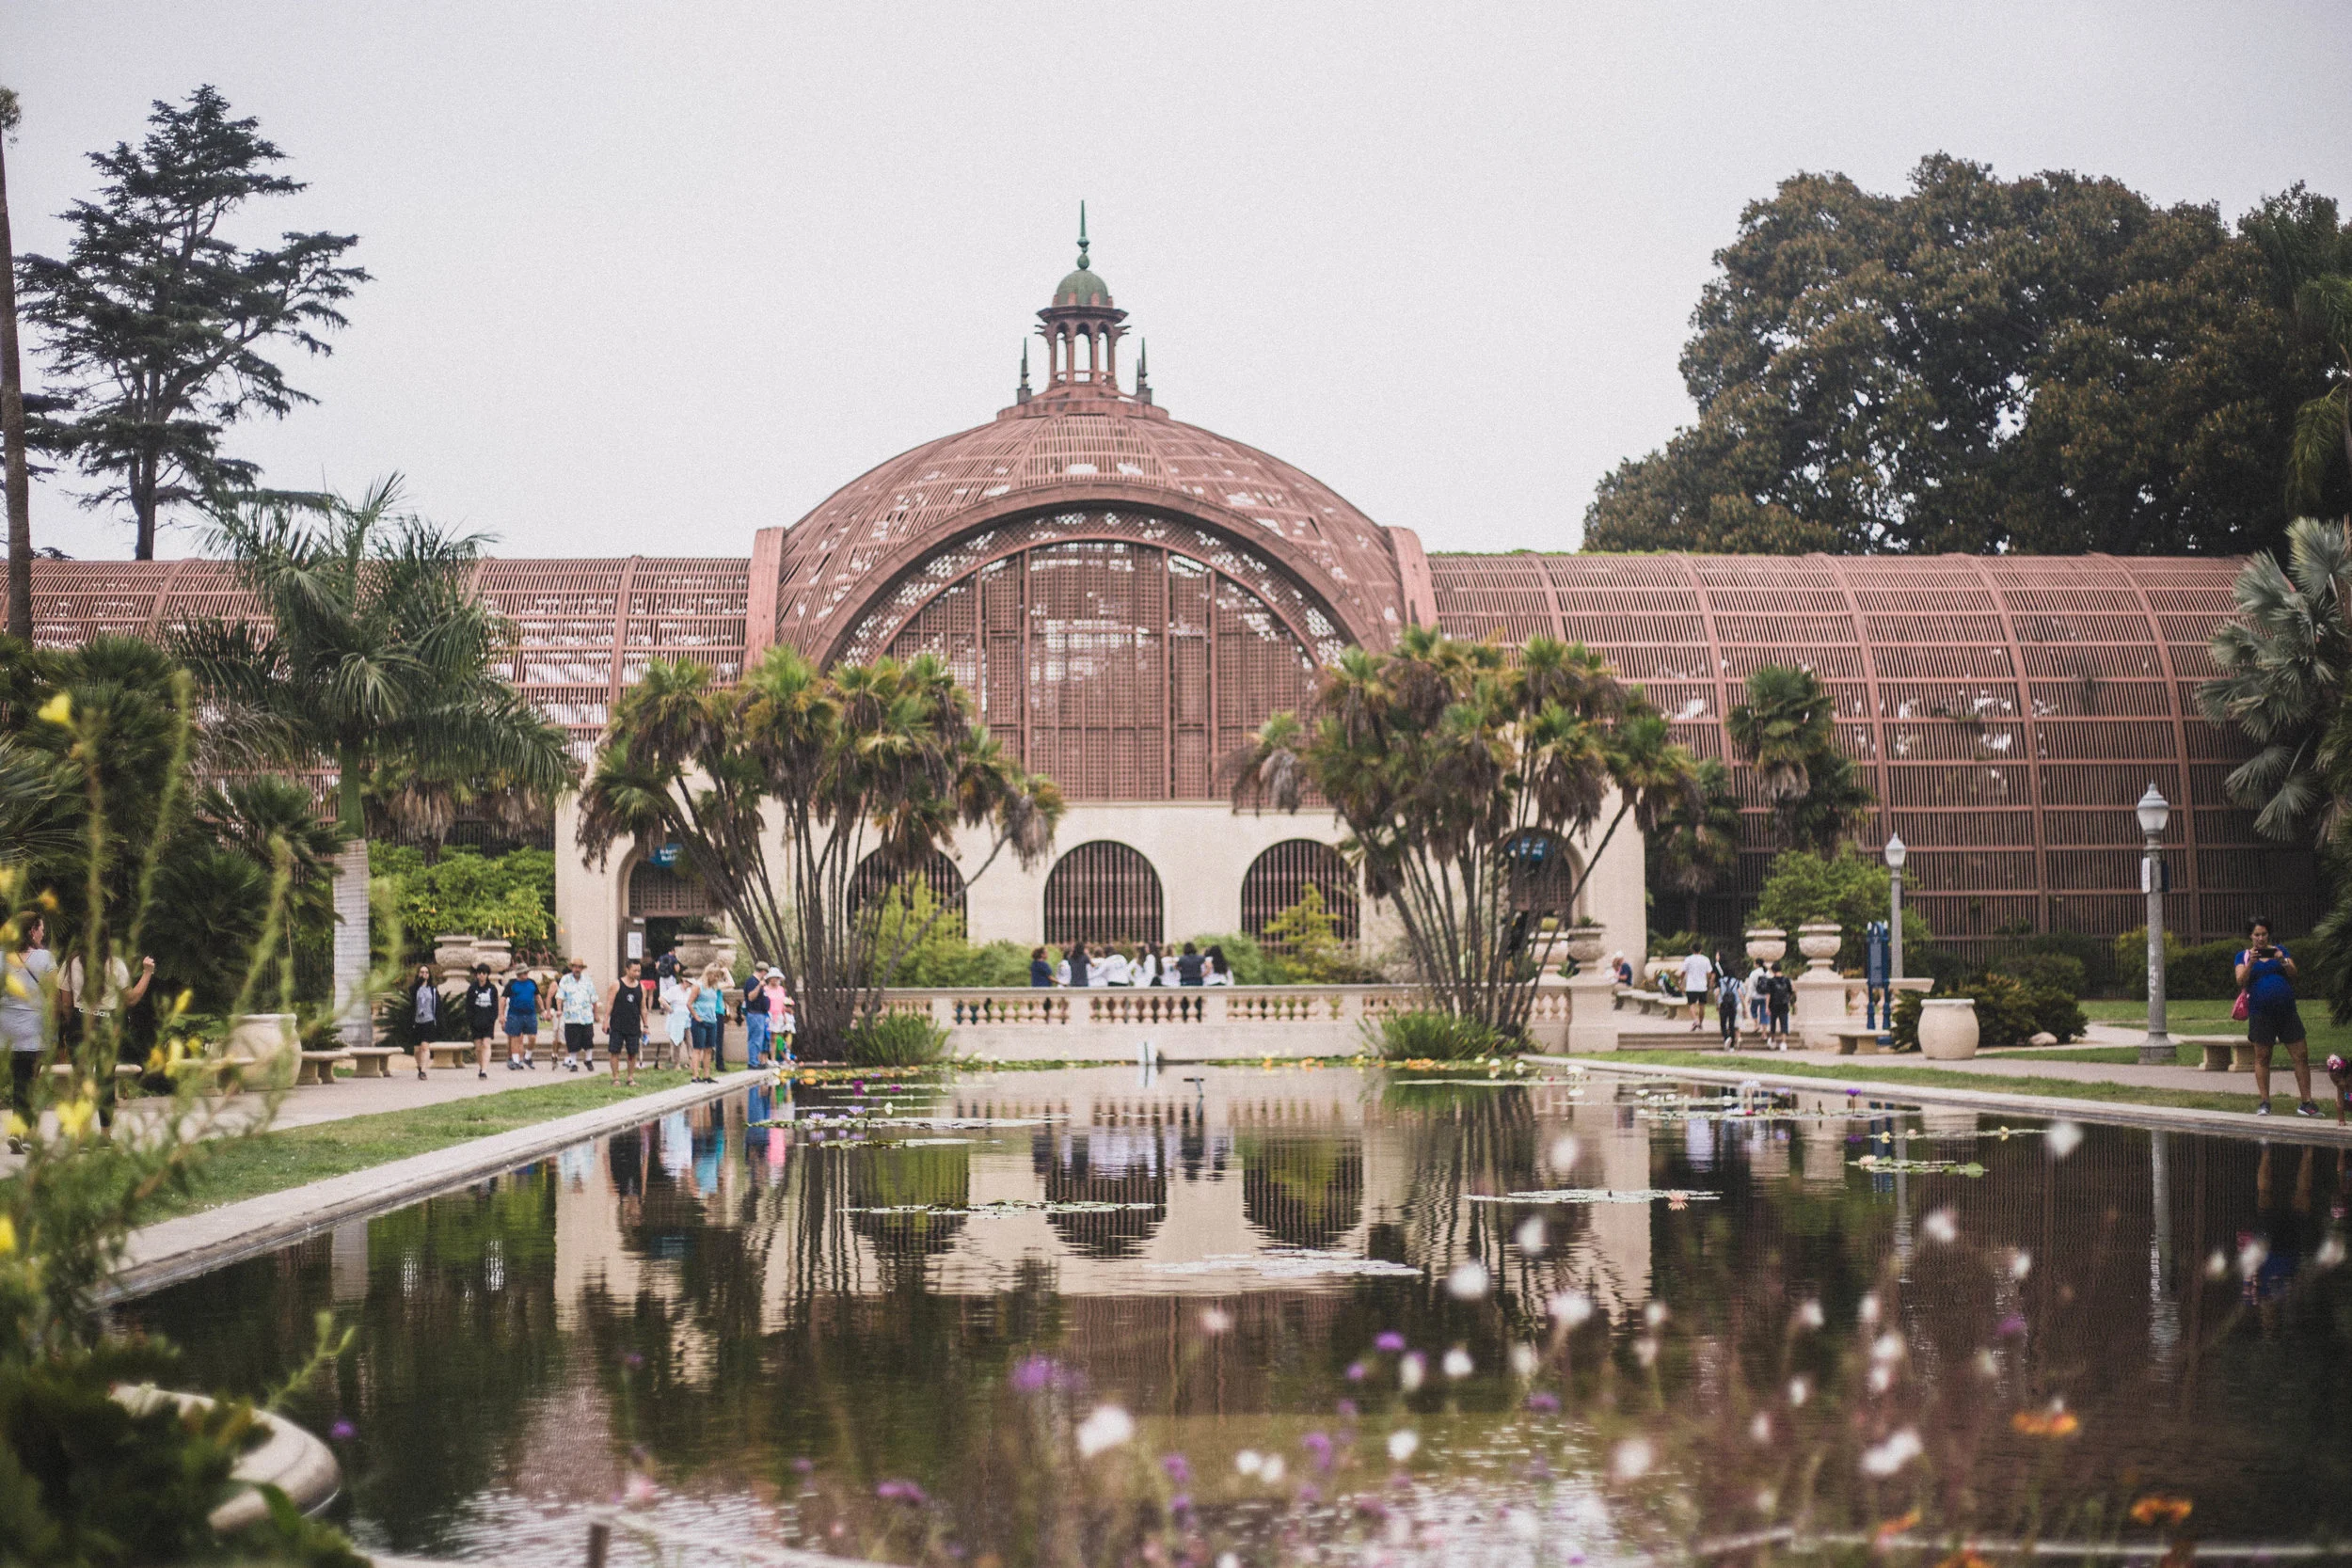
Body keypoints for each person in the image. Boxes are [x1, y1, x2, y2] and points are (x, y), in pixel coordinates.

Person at [2236, 916, 2318, 1117]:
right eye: (2257, 934)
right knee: (2262, 1057)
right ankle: (2265, 1102)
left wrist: (2282, 959)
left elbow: (2294, 974)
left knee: (2300, 1055)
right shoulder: (2243, 956)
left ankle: (2306, 1102)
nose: (2261, 938)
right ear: (2250, 936)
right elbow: (2241, 980)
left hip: (2287, 1012)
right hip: (2260, 1013)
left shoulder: (2280, 950)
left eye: (2264, 934)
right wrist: (2251, 963)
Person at [4, 917, 57, 1152]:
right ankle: (21, 1132)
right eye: (41, 929)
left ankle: (23, 1132)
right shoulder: (45, 958)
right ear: (32, 931)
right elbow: (52, 995)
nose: (43, 934)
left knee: (20, 1080)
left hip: (7, 1031)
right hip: (34, 1029)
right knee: (29, 1081)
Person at [602, 958, 645, 1086]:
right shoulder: (616, 984)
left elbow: (643, 1008)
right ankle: (615, 1077)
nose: (637, 973)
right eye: (634, 970)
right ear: (627, 970)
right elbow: (609, 1004)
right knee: (615, 1051)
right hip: (617, 1024)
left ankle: (630, 1077)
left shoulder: (641, 987)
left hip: (633, 1025)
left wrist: (646, 1025)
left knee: (632, 1052)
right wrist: (605, 1021)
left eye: (639, 971)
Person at [556, 958, 599, 1072]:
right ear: (572, 968)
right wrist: (559, 1010)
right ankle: (573, 1062)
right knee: (572, 1040)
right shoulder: (565, 980)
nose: (577, 969)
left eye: (579, 967)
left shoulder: (587, 980)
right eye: (575, 967)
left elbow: (594, 998)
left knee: (588, 1037)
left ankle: (588, 1059)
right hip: (571, 1016)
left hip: (586, 1016)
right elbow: (560, 996)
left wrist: (596, 1014)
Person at [689, 961, 728, 1082]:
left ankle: (707, 1075)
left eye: (718, 976)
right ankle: (695, 1075)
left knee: (709, 1049)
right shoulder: (698, 986)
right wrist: (696, 1016)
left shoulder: (714, 988)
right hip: (700, 1021)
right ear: (708, 974)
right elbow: (689, 1003)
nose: (716, 978)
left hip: (712, 1020)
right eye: (714, 976)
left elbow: (730, 984)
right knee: (698, 1049)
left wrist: (726, 972)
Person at [502, 967, 542, 1070]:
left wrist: (542, 1010)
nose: (526, 974)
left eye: (527, 972)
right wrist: (501, 1015)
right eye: (524, 972)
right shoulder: (512, 984)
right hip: (515, 1014)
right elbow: (503, 999)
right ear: (519, 974)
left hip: (530, 1014)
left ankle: (527, 1057)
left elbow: (537, 996)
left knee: (532, 1037)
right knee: (515, 1037)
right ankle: (515, 1060)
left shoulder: (532, 983)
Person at [465, 964, 501, 1075]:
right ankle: (481, 1066)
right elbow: (468, 1005)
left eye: (484, 973)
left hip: (488, 1022)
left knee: (486, 1044)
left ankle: (484, 1070)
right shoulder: (472, 988)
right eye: (479, 973)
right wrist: (471, 1019)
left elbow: (495, 1005)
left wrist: (492, 1018)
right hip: (475, 1022)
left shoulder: (492, 989)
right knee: (478, 1047)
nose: (481, 975)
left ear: (487, 975)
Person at [406, 965, 441, 1079]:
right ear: (418, 974)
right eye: (422, 972)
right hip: (417, 1022)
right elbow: (411, 992)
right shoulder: (414, 989)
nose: (424, 974)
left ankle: (423, 1071)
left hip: (428, 1021)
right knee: (417, 1050)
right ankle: (420, 1066)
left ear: (429, 975)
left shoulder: (433, 990)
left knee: (425, 1047)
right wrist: (419, 982)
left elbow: (438, 1006)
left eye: (426, 972)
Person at [660, 969, 692, 1070]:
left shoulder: (690, 991)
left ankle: (692, 1062)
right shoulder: (674, 989)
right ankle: (676, 1063)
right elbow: (661, 999)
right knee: (676, 1042)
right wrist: (669, 1009)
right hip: (676, 1019)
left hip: (687, 1020)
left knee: (690, 1042)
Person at [742, 965, 773, 1067]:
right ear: (763, 971)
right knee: (755, 1039)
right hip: (755, 1013)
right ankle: (753, 1062)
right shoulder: (752, 981)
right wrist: (759, 986)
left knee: (760, 1039)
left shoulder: (758, 982)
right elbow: (751, 997)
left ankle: (757, 1061)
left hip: (761, 1013)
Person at [1680, 947, 1713, 1031]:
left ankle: (1695, 1020)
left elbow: (1683, 972)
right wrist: (1709, 979)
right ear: (1701, 950)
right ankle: (1700, 1023)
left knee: (1691, 1004)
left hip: (1691, 986)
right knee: (1702, 1005)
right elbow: (1709, 973)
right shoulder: (1705, 959)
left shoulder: (1688, 959)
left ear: (1692, 950)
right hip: (1702, 986)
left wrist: (1681, 980)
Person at [1765, 962, 1793, 1050]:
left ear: (1773, 971)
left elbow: (1768, 995)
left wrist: (1767, 1007)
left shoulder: (1770, 981)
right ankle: (1783, 1043)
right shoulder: (1787, 980)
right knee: (1784, 1023)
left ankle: (1773, 1041)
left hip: (1773, 1005)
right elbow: (1790, 992)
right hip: (1784, 1004)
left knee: (1773, 1023)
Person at [1716, 965, 1745, 1050]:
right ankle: (1732, 1045)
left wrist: (1717, 1004)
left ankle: (1726, 1037)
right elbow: (1740, 993)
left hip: (1723, 1004)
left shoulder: (1720, 981)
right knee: (1731, 1024)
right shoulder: (1736, 981)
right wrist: (1743, 1005)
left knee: (1723, 1023)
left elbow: (1717, 993)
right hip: (1733, 1005)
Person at [1747, 959, 1772, 1036]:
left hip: (1755, 996)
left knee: (1753, 1010)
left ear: (1757, 964)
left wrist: (1749, 997)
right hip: (1765, 996)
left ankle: (1756, 1024)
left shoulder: (1753, 973)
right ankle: (1764, 1033)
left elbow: (1751, 986)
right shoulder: (1767, 973)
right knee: (1764, 1014)